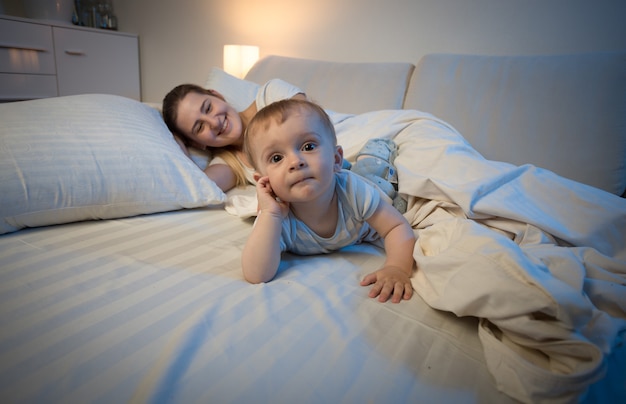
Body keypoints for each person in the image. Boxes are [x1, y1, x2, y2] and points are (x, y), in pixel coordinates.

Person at [241, 98, 416, 303]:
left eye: (308, 146)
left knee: (379, 177)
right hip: (330, 181)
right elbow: (256, 274)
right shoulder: (275, 217)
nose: (296, 162)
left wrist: (397, 267)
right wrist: (269, 213)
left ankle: (378, 147)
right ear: (263, 180)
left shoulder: (352, 190)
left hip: (366, 185)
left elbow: (396, 226)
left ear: (335, 159)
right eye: (277, 158)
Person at [162, 81, 306, 192]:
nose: (214, 122)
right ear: (197, 143)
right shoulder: (230, 164)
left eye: (208, 108)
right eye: (200, 127)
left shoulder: (271, 96)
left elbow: (309, 125)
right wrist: (178, 142)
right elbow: (197, 187)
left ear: (217, 95)